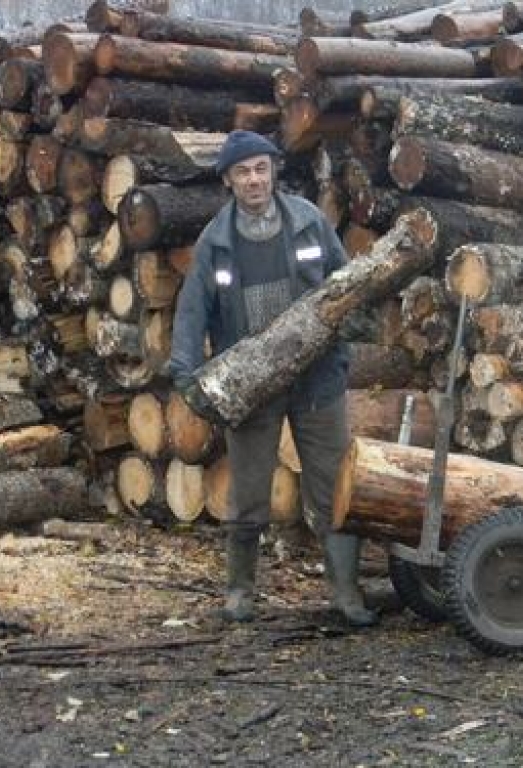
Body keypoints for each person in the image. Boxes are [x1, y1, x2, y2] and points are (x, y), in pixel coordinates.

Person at [168, 130, 378, 627]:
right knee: (249, 493)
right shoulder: (215, 242)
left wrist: (356, 325)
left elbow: (345, 284)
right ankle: (240, 591)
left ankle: (346, 594)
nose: (254, 179)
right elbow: (191, 309)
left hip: (317, 375)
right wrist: (183, 371)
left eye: (261, 168)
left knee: (333, 488)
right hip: (251, 383)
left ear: (274, 170)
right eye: (243, 172)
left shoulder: (309, 222)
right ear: (228, 180)